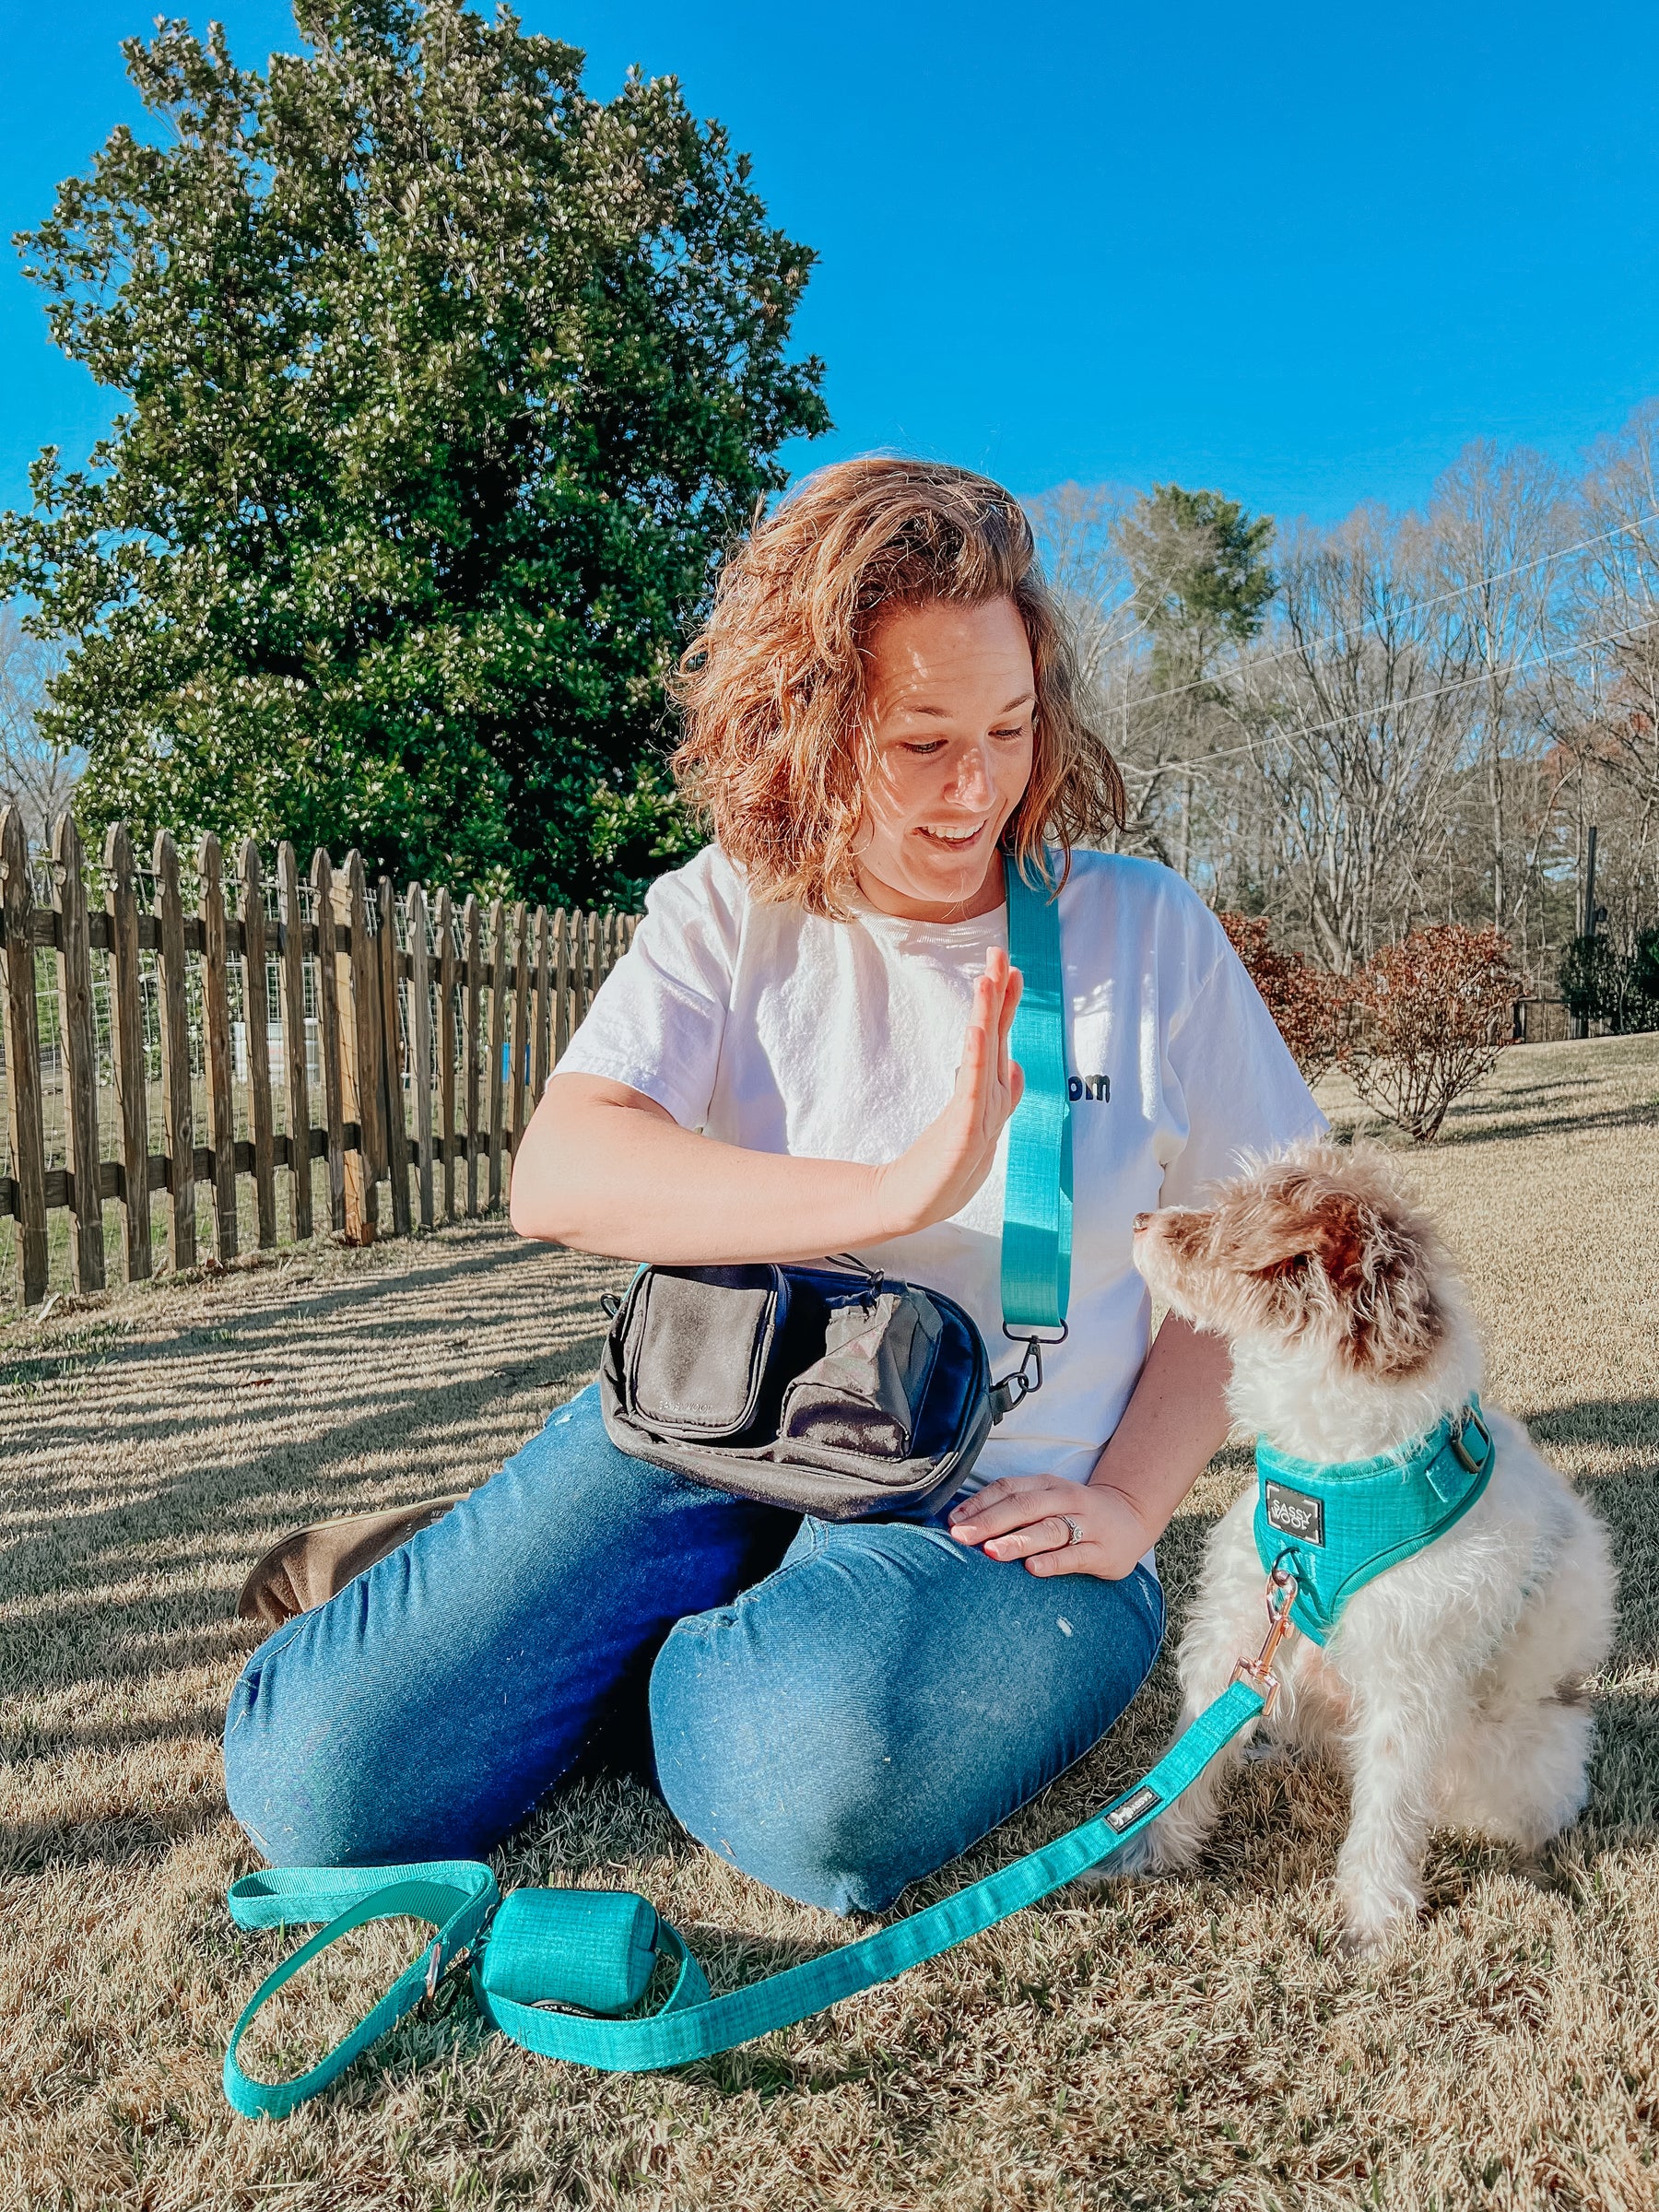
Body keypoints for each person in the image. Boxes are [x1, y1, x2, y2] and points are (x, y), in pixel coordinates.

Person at [223, 460, 1322, 1913]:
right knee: (321, 1785)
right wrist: (892, 1189)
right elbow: (560, 1173)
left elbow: (1270, 1254)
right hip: (714, 1442)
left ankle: (594, 1644)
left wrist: (1130, 1499)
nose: (979, 787)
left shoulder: (1146, 931)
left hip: (998, 1510)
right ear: (807, 725)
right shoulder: (726, 907)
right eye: (923, 741)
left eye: (1008, 727)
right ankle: (560, 1606)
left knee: (813, 1791)